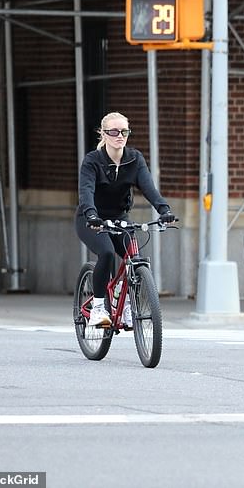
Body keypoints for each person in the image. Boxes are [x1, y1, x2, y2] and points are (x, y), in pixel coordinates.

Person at [76, 112, 175, 327]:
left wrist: (163, 209)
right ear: (103, 133)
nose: (119, 136)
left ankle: (129, 304)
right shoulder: (93, 161)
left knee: (135, 258)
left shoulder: (134, 159)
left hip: (120, 219)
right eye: (113, 132)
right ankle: (99, 307)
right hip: (92, 219)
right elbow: (86, 191)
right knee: (107, 253)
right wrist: (91, 214)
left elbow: (148, 188)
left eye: (124, 131)